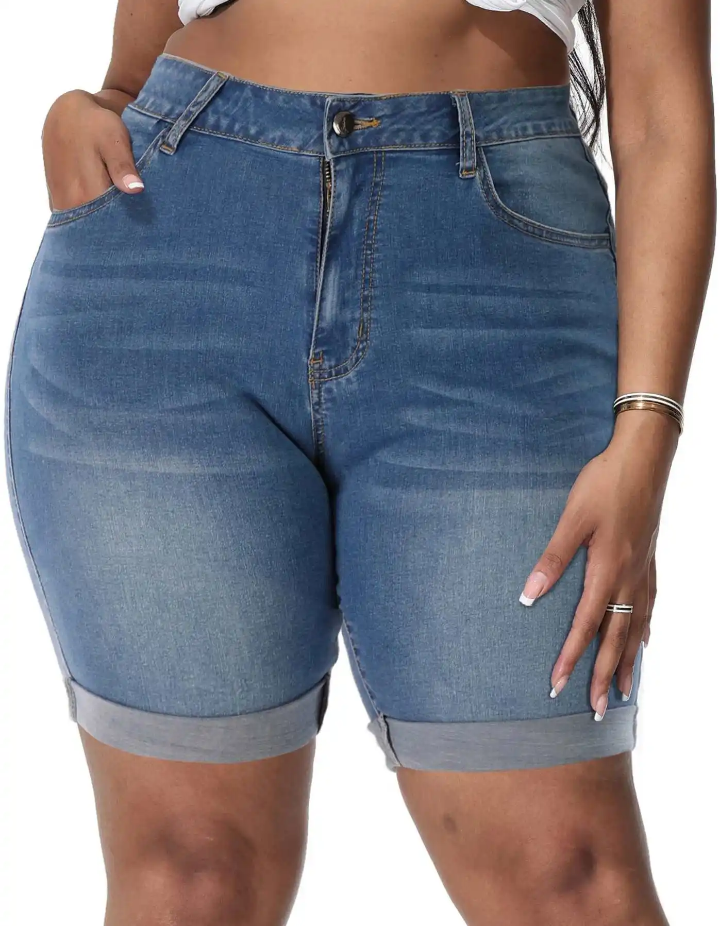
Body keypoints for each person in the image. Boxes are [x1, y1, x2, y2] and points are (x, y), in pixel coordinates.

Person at [5, 1, 714, 923]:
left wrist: (649, 431)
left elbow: (661, 118)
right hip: (167, 267)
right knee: (191, 878)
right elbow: (137, 66)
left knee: (568, 879)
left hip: (494, 297)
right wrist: (85, 113)